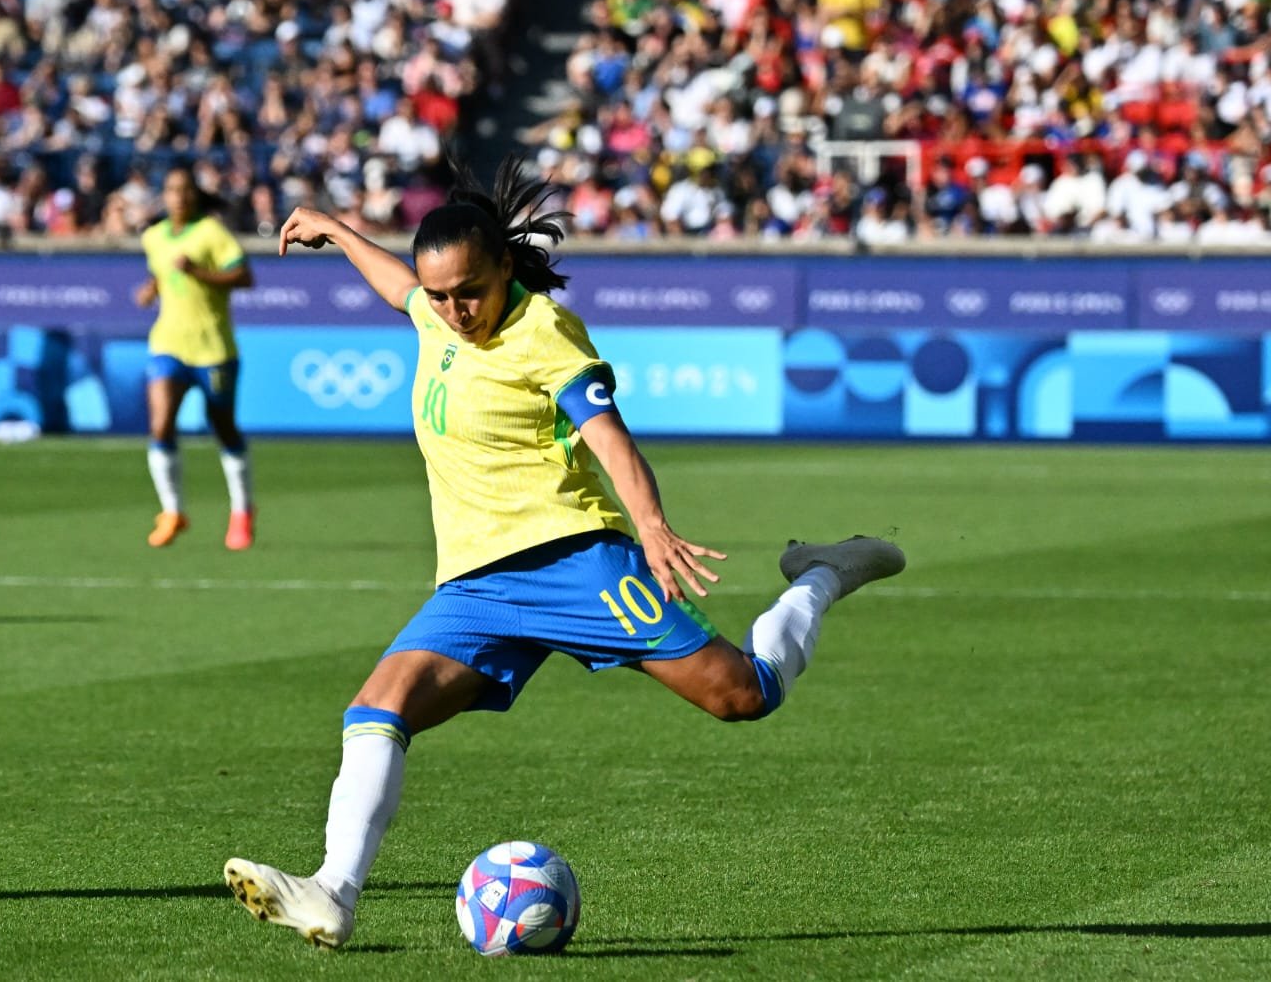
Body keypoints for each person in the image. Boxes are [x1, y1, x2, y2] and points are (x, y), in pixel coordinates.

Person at [223, 157, 905, 947]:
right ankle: (333, 893)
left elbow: (608, 437)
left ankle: (822, 573)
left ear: (505, 267)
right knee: (377, 708)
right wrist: (339, 231)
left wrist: (649, 524)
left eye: (468, 291)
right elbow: (399, 290)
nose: (453, 309)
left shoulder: (542, 331)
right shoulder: (435, 314)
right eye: (439, 294)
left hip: (574, 562)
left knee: (740, 694)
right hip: (474, 586)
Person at [134, 165, 257, 550]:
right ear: (164, 196)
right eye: (172, 190)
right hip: (168, 343)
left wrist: (199, 273)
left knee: (222, 427)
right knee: (160, 424)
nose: (179, 197)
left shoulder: (211, 233)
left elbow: (244, 277)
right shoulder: (154, 237)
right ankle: (172, 511)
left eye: (186, 190)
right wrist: (151, 289)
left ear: (195, 195)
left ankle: (241, 511)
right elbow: (162, 270)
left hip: (213, 348)